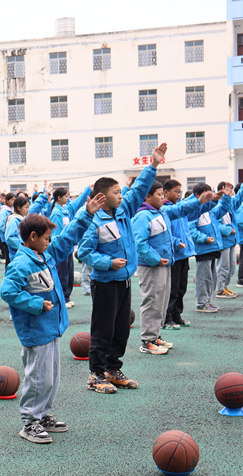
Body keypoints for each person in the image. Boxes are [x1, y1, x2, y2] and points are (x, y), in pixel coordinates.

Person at [1, 194, 105, 443]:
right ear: (33, 238)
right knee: (38, 377)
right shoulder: (22, 263)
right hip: (36, 331)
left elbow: (68, 238)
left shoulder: (44, 255)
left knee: (51, 378)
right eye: (46, 238)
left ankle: (42, 414)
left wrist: (87, 214)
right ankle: (29, 422)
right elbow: (7, 291)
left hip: (51, 328)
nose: (50, 242)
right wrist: (36, 304)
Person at [78, 143, 166, 394]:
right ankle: (96, 375)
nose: (122, 195)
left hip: (124, 281)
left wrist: (153, 165)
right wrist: (108, 263)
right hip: (105, 283)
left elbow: (139, 190)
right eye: (117, 192)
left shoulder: (124, 211)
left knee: (120, 329)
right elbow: (84, 252)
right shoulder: (95, 221)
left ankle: (112, 370)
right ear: (104, 197)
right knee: (102, 330)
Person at [132, 180, 211, 354]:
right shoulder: (142, 216)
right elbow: (140, 243)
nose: (162, 198)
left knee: (161, 301)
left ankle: (155, 335)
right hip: (152, 265)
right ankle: (147, 341)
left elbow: (170, 226)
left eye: (162, 194)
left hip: (164, 263)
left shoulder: (160, 212)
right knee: (152, 301)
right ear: (147, 196)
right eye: (159, 195)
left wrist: (175, 243)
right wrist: (156, 258)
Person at [189, 183, 234, 313]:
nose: (210, 196)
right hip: (203, 249)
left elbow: (224, 208)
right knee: (203, 278)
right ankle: (201, 303)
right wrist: (204, 238)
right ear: (197, 195)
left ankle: (207, 301)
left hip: (213, 248)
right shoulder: (193, 211)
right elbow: (191, 230)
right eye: (206, 194)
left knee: (211, 278)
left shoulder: (210, 210)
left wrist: (226, 196)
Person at [215, 178, 243, 297]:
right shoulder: (216, 207)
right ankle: (220, 289)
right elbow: (216, 225)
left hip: (231, 241)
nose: (231, 194)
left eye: (231, 192)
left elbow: (239, 198)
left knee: (231, 267)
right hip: (224, 241)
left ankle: (225, 287)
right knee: (223, 266)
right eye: (228, 191)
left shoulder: (229, 206)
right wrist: (229, 230)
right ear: (221, 191)